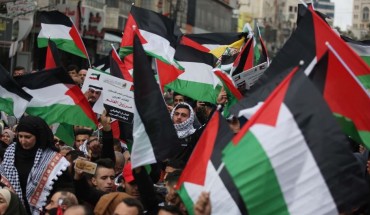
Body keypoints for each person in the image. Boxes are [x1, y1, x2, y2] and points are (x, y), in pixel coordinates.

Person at [0, 116, 73, 214]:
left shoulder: (53, 159)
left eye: (27, 137)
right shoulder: (10, 153)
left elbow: (65, 188)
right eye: (20, 136)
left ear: (38, 136)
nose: (23, 141)